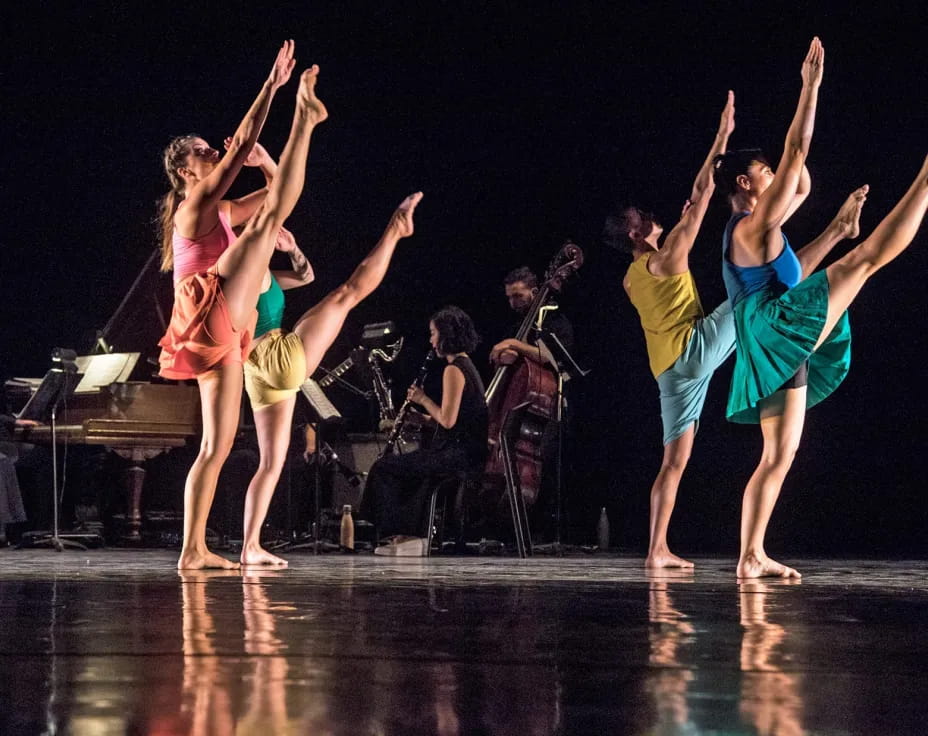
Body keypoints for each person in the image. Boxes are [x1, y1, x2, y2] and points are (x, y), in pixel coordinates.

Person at [713, 37, 928, 578]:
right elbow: (798, 156)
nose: (775, 178)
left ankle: (750, 555)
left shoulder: (766, 237)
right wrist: (810, 89)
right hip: (773, 328)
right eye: (765, 173)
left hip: (767, 335)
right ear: (746, 183)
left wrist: (834, 229)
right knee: (868, 260)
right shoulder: (749, 225)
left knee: (778, 456)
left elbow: (796, 261)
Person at [158, 41, 329, 569]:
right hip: (209, 305)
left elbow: (281, 189)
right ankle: (306, 118)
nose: (212, 153)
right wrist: (272, 87)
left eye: (212, 149)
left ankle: (193, 551)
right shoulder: (196, 204)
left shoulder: (223, 208)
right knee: (272, 218)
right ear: (186, 172)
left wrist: (262, 160)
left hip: (218, 330)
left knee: (218, 446)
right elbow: (249, 158)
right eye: (202, 153)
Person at [239, 193, 423, 566]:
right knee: (347, 294)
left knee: (271, 462)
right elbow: (278, 198)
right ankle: (394, 231)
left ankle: (250, 547)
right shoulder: (250, 266)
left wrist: (292, 249)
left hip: (256, 370)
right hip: (277, 352)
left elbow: (306, 276)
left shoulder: (256, 275)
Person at [603, 91, 736, 568]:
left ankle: (657, 549)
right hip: (693, 350)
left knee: (672, 464)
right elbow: (702, 196)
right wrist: (721, 137)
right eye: (642, 218)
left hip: (668, 374)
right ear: (636, 233)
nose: (650, 216)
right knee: (749, 300)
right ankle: (779, 360)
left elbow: (685, 220)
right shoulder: (668, 256)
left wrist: (680, 223)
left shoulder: (629, 278)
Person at [365, 306, 488, 556]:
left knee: (384, 467)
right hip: (463, 451)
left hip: (459, 456)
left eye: (433, 333)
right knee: (408, 465)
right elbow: (457, 420)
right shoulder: (467, 365)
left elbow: (449, 421)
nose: (431, 340)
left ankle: (396, 536)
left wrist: (422, 399)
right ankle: (409, 535)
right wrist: (423, 419)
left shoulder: (454, 370)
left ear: (446, 335)